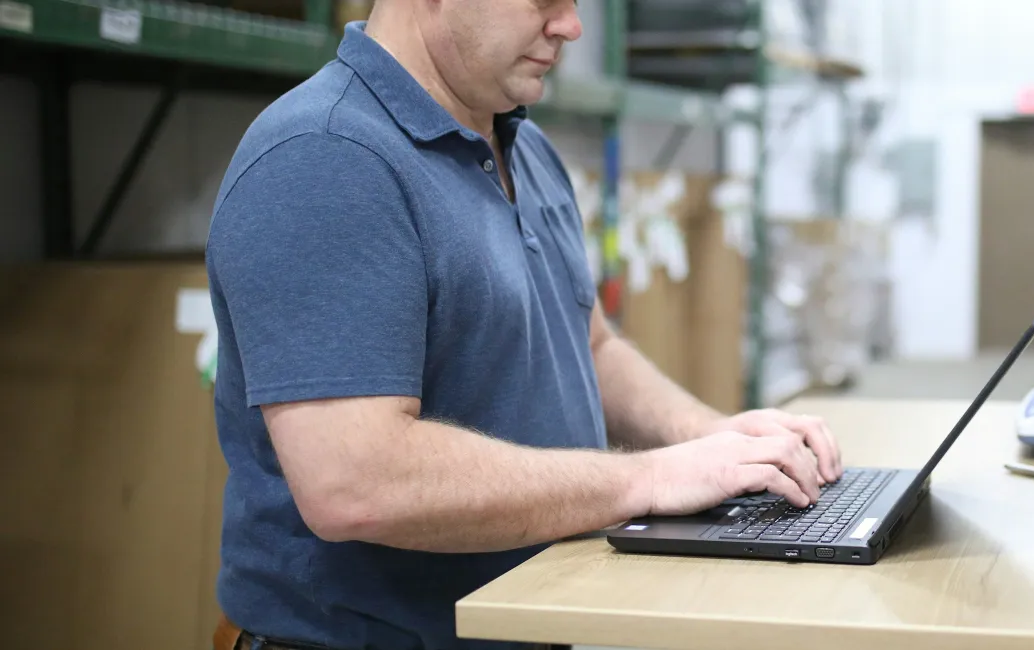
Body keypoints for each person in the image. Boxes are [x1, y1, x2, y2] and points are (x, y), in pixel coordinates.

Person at [203, 0, 841, 648]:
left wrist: (710, 436)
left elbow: (587, 344)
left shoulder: (523, 146)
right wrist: (649, 479)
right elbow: (356, 482)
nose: (570, 26)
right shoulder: (327, 157)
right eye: (544, 0)